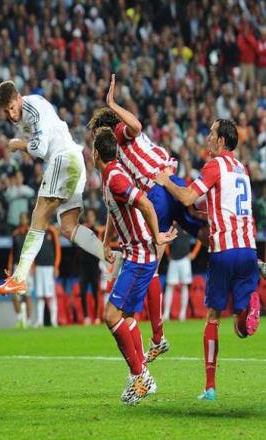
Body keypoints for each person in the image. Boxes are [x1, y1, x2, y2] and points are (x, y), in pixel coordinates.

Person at [88, 74, 207, 363]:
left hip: (156, 192)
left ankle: (158, 337)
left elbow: (136, 126)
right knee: (202, 232)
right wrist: (106, 238)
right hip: (170, 180)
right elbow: (115, 207)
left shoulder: (119, 135)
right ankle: (249, 260)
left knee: (150, 262)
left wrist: (112, 104)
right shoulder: (120, 159)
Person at [154, 119, 260, 401]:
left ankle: (210, 387)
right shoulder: (242, 169)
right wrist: (194, 216)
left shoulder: (214, 166)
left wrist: (166, 181)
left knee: (213, 316)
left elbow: (188, 197)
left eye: (212, 133)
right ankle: (248, 306)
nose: (208, 138)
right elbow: (224, 209)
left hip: (223, 249)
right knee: (240, 329)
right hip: (248, 248)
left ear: (222, 140)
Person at [0, 81, 109, 296]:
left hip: (63, 159)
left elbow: (40, 148)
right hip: (73, 160)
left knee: (39, 215)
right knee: (68, 227)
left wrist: (19, 145)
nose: (11, 114)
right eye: (6, 111)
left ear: (19, 97)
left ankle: (19, 278)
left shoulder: (33, 109)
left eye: (12, 107)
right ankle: (112, 258)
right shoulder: (23, 114)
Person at [93, 126, 176, 405]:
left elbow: (145, 204)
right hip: (135, 254)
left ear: (95, 154)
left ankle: (140, 376)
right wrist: (106, 241)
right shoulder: (112, 174)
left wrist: (156, 236)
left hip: (140, 255)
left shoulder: (115, 177)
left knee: (110, 315)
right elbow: (114, 210)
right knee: (126, 317)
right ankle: (142, 376)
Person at [163, 225, 201, 322]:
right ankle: (166, 314)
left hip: (185, 259)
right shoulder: (173, 227)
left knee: (185, 285)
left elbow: (199, 239)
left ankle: (182, 314)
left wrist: (194, 253)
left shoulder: (188, 225)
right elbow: (165, 240)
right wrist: (168, 254)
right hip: (173, 259)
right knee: (170, 285)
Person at [7, 212, 33, 328]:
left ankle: (28, 320)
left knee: (27, 295)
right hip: (17, 267)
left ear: (27, 220)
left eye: (24, 218)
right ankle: (19, 319)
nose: (23, 220)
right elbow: (12, 252)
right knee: (15, 295)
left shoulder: (31, 233)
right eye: (21, 218)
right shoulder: (15, 234)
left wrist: (33, 266)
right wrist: (9, 267)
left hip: (27, 266)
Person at [78, 209, 102, 325]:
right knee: (82, 291)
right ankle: (86, 317)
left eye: (92, 216)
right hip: (83, 265)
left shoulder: (97, 232)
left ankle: (96, 317)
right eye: (89, 216)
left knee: (95, 292)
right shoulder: (82, 231)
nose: (90, 218)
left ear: (94, 218)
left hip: (94, 265)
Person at [34, 224, 61, 327]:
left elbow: (57, 249)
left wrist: (56, 266)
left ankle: (54, 321)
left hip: (50, 268)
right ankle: (40, 321)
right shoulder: (36, 231)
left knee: (51, 295)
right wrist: (33, 266)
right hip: (39, 267)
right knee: (39, 295)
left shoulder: (52, 231)